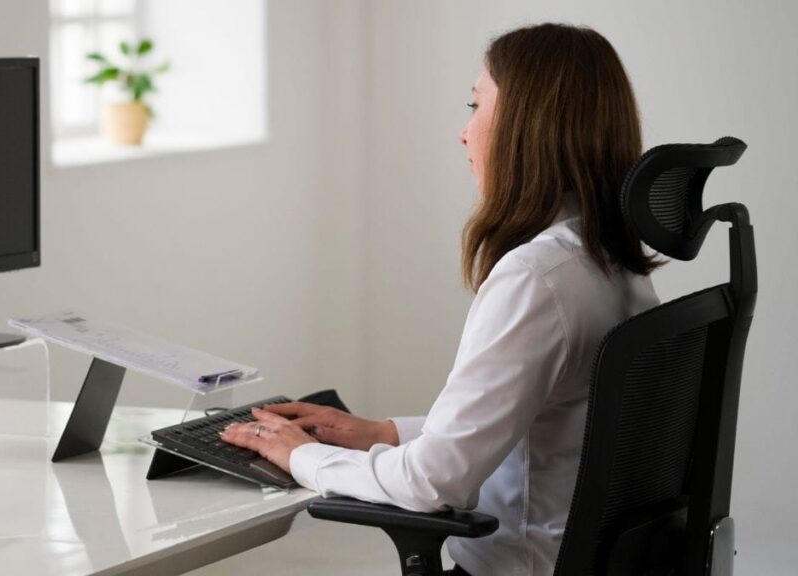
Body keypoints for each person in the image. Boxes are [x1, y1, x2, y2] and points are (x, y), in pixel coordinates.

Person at [221, 23, 660, 575]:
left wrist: (298, 454)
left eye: (476, 104)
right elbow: (546, 421)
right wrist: (385, 434)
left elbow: (432, 483)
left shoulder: (536, 278)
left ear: (528, 126)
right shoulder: (610, 258)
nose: (464, 132)